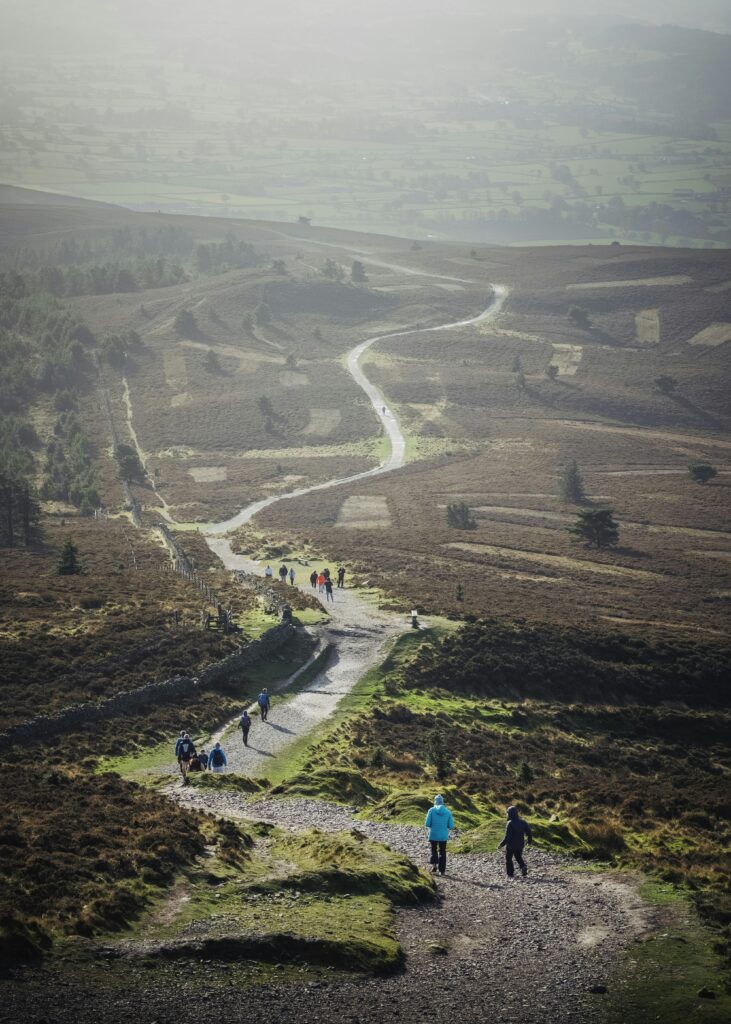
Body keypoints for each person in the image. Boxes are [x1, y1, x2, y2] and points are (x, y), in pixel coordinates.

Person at [498, 805, 533, 880]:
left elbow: (507, 836)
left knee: (508, 858)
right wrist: (529, 841)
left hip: (511, 845)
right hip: (520, 844)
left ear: (510, 814)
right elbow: (529, 832)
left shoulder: (510, 823)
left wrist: (501, 844)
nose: (507, 814)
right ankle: (523, 866)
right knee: (518, 857)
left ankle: (510, 873)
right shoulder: (523, 822)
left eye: (507, 813)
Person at [424, 795, 454, 876]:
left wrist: (433, 826)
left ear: (435, 801)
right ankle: (442, 871)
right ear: (442, 802)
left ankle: (434, 867)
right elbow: (451, 826)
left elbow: (427, 824)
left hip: (433, 834)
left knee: (433, 849)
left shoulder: (431, 810)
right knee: (442, 852)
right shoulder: (448, 812)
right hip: (443, 836)